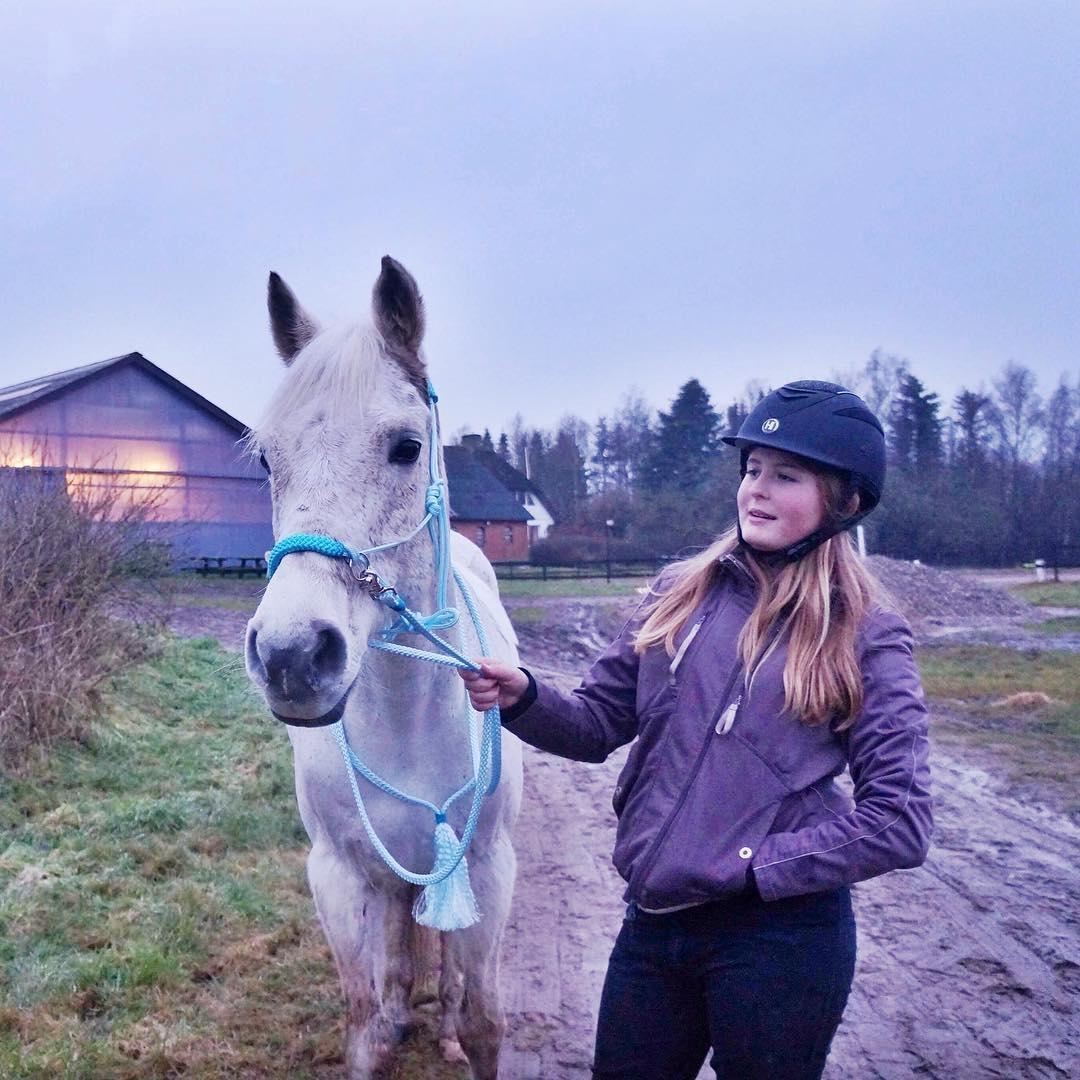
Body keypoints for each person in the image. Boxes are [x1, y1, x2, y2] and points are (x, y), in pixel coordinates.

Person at [460, 380, 932, 1080]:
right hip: (654, 924)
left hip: (781, 941)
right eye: (751, 470)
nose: (756, 491)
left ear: (846, 501)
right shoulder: (680, 594)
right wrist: (524, 696)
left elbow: (900, 819)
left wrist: (752, 868)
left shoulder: (865, 634)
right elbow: (594, 726)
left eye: (786, 475)